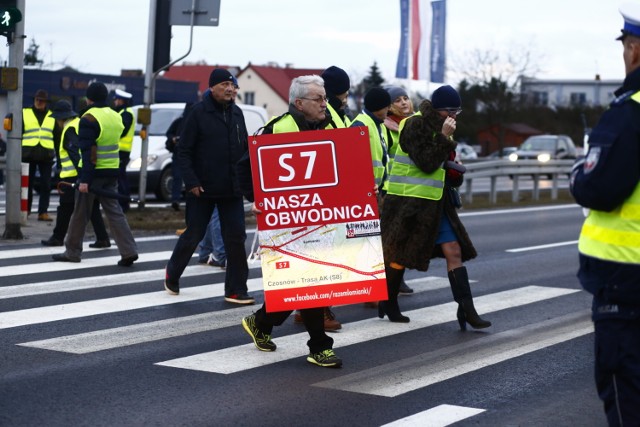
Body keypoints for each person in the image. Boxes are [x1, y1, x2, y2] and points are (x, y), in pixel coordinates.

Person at [237, 75, 342, 368]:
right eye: (318, 99)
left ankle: (261, 322)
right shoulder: (277, 129)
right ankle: (320, 347)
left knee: (303, 281)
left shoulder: (329, 126)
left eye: (325, 98)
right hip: (289, 220)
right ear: (299, 103)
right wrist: (256, 200)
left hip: (321, 218)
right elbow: (244, 169)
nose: (325, 103)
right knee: (310, 280)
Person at [570, 3, 640, 425]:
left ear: (634, 51)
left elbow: (598, 187)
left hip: (626, 279)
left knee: (625, 389)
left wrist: (579, 172)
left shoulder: (630, 112)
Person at [380, 85, 491, 329]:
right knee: (400, 256)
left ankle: (467, 310)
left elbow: (441, 165)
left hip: (436, 203)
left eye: (457, 112)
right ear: (437, 109)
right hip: (409, 203)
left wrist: (455, 171)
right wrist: (443, 137)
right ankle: (388, 302)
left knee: (454, 250)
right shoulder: (413, 125)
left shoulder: (445, 126)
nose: (453, 116)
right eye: (449, 111)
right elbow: (427, 163)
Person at [163, 68, 253, 305]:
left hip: (232, 189)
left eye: (233, 86)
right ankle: (172, 272)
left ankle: (236, 290)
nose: (231, 90)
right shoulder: (197, 113)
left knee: (235, 237)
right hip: (202, 189)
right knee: (194, 233)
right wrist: (191, 182)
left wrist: (248, 183)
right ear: (212, 87)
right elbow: (184, 151)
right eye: (225, 85)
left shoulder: (237, 114)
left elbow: (245, 150)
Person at [52, 82, 138, 266]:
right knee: (115, 212)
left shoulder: (88, 118)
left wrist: (85, 179)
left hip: (93, 173)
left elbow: (87, 152)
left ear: (89, 99)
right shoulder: (115, 117)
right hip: (112, 170)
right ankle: (129, 250)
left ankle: (72, 252)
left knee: (80, 213)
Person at [41, 100, 110, 248]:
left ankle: (58, 237)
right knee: (92, 208)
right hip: (85, 173)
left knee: (65, 207)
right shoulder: (79, 123)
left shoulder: (69, 129)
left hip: (72, 176)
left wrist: (83, 176)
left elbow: (75, 153)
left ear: (61, 118)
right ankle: (103, 238)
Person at [384, 85, 416, 295]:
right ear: (389, 106)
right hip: (391, 190)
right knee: (392, 240)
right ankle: (390, 281)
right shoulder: (387, 127)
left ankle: (398, 278)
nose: (404, 102)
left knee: (403, 238)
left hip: (410, 189)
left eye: (405, 98)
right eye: (398, 100)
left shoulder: (413, 124)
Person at [22, 89, 57, 221]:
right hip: (28, 154)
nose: (39, 102)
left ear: (45, 102)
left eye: (41, 101)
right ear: (34, 100)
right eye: (37, 100)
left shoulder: (52, 116)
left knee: (46, 185)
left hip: (46, 155)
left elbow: (57, 136)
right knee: (27, 185)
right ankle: (26, 210)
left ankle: (43, 212)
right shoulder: (25, 113)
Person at [165, 103, 193, 212]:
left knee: (180, 178)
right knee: (179, 178)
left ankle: (179, 200)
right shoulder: (180, 122)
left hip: (184, 154)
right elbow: (169, 134)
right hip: (180, 154)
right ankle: (177, 200)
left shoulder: (190, 122)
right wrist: (173, 139)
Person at [112, 89, 134, 212]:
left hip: (122, 150)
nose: (115, 102)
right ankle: (122, 203)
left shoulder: (126, 113)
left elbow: (122, 131)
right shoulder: (122, 112)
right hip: (120, 150)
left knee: (121, 178)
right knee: (120, 177)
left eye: (116, 99)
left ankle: (124, 204)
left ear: (121, 100)